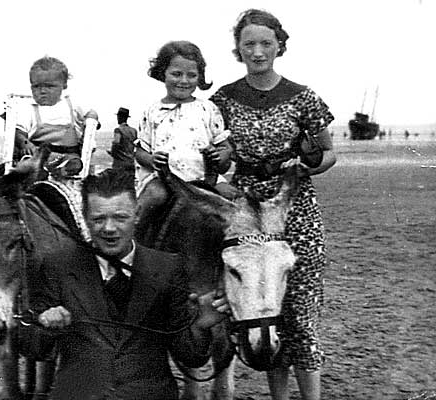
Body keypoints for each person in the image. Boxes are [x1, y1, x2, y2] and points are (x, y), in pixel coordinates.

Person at [209, 9, 336, 400]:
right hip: (245, 210)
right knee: (265, 310)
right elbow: (218, 154)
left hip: (294, 207)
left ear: (280, 45)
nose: (258, 51)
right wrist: (222, 162)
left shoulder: (304, 97)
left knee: (300, 312)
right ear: (238, 49)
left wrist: (306, 164)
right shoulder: (224, 99)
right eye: (249, 44)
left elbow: (329, 154)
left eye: (266, 43)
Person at [19, 168, 229, 400]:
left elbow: (191, 357)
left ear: (137, 214)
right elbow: (32, 349)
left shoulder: (168, 267)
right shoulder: (57, 265)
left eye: (120, 217)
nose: (109, 229)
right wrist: (44, 324)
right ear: (86, 218)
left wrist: (199, 326)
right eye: (99, 219)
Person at [134, 40, 231, 229]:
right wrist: (152, 159)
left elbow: (225, 146)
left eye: (191, 75)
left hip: (204, 176)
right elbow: (140, 151)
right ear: (163, 73)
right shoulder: (152, 112)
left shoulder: (208, 109)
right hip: (165, 179)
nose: (184, 81)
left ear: (199, 76)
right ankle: (134, 236)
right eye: (176, 74)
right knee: (154, 197)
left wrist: (220, 155)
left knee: (233, 197)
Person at [12, 56, 100, 179]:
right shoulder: (30, 108)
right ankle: (43, 171)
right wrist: (25, 143)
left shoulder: (71, 105)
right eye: (36, 86)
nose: (42, 91)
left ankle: (63, 171)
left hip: (67, 154)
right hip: (40, 154)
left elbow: (90, 114)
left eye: (49, 86)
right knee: (29, 161)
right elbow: (19, 131)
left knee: (74, 163)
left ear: (63, 85)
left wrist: (91, 119)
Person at [109, 107, 137, 173]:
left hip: (120, 164)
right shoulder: (134, 131)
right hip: (131, 163)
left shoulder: (118, 130)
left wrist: (112, 153)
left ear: (120, 117)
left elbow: (116, 144)